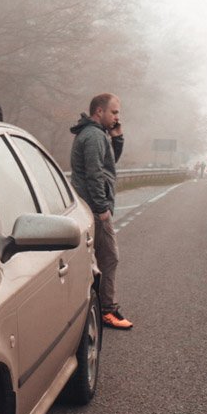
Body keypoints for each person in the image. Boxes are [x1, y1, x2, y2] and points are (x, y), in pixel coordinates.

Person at [70, 93, 132, 330]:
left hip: (90, 206)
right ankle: (107, 310)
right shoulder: (94, 136)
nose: (117, 117)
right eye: (114, 112)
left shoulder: (96, 134)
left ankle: (93, 307)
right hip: (94, 208)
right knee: (109, 258)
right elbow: (95, 174)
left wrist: (117, 139)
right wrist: (101, 207)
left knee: (92, 260)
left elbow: (108, 165)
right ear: (99, 111)